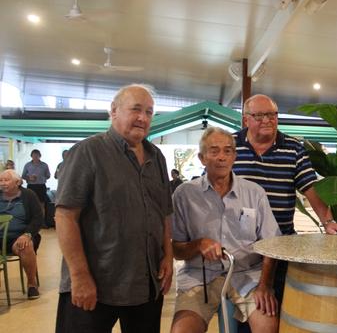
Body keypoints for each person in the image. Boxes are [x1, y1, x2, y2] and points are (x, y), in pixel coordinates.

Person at [55, 84, 174, 333]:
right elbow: (65, 216)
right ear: (114, 111)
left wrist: (168, 256)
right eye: (136, 109)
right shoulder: (87, 152)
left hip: (146, 283)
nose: (143, 118)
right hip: (97, 283)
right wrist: (79, 276)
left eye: (149, 112)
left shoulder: (157, 157)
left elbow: (164, 212)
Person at [233, 94, 337, 305]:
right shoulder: (230, 145)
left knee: (279, 305)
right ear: (246, 119)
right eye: (260, 115)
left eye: (272, 115)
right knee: (245, 312)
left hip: (280, 244)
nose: (267, 120)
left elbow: (310, 187)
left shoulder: (293, 148)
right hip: (240, 246)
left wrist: (328, 222)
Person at [170, 127, 280, 333]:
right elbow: (176, 250)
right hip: (200, 277)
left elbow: (271, 244)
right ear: (202, 158)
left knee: (268, 327)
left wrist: (265, 286)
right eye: (214, 151)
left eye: (228, 151)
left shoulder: (254, 193)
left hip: (248, 276)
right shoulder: (184, 194)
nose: (222, 157)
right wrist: (198, 244)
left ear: (234, 156)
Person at [0, 169, 43, 299]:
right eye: (0, 180)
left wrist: (27, 234)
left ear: (17, 182)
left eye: (6, 180)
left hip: (18, 237)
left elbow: (37, 218)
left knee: (25, 245)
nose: (2, 183)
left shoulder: (28, 195)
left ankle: (31, 284)